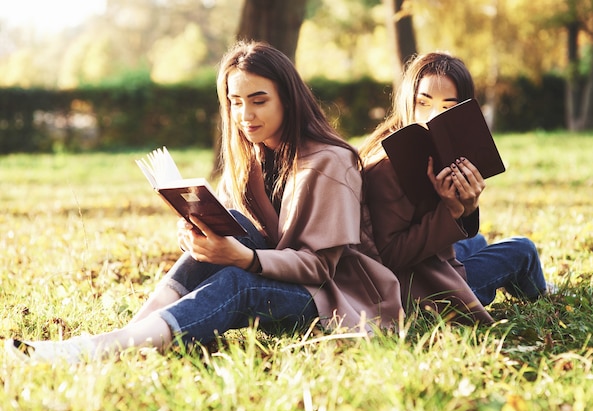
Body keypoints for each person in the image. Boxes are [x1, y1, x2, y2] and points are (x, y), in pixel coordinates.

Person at [6, 40, 402, 363]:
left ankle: (103, 350)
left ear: (288, 99)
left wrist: (241, 258)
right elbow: (241, 230)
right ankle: (127, 337)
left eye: (259, 100)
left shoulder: (331, 162)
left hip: (335, 297)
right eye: (235, 101)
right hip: (280, 274)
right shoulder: (250, 156)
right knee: (229, 220)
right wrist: (199, 233)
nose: (245, 114)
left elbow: (319, 266)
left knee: (238, 283)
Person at [359, 52, 547, 324]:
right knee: (523, 251)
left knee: (476, 240)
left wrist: (467, 208)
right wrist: (450, 211)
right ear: (407, 101)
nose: (433, 116)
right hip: (423, 290)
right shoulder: (388, 163)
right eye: (423, 103)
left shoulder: (428, 150)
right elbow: (389, 255)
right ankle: (540, 291)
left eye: (448, 108)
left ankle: (511, 282)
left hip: (432, 262)